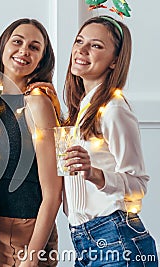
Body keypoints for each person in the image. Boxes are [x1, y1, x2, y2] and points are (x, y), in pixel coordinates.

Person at [63, 16, 158, 266]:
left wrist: (95, 173)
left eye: (96, 45)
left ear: (115, 61)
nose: (81, 50)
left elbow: (139, 184)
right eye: (79, 41)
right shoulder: (83, 108)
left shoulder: (114, 109)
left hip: (116, 236)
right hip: (85, 239)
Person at [0, 18, 62, 267]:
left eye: (34, 47)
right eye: (17, 41)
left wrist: (32, 256)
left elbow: (53, 193)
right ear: (3, 46)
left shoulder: (36, 103)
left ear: (42, 59)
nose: (24, 50)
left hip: (26, 233)